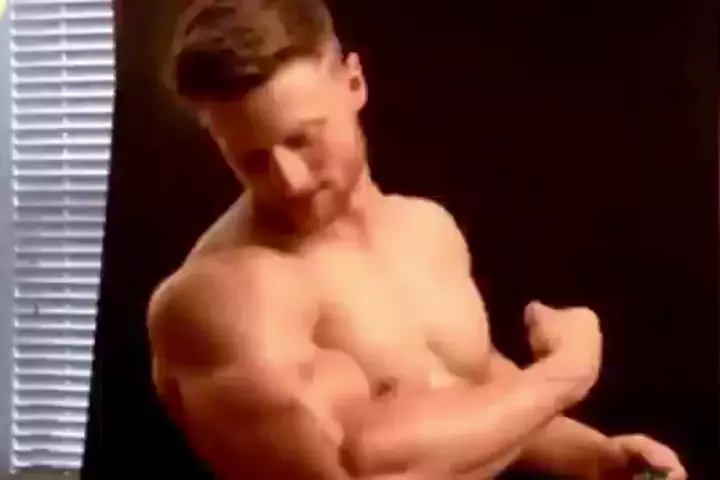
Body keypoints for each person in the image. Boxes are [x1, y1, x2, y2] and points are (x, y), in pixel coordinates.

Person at [147, 0, 687, 478]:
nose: (291, 180)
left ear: (354, 83)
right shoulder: (222, 298)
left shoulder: (425, 229)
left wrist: (592, 458)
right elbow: (356, 469)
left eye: (302, 139)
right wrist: (564, 374)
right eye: (251, 159)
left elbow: (466, 386)